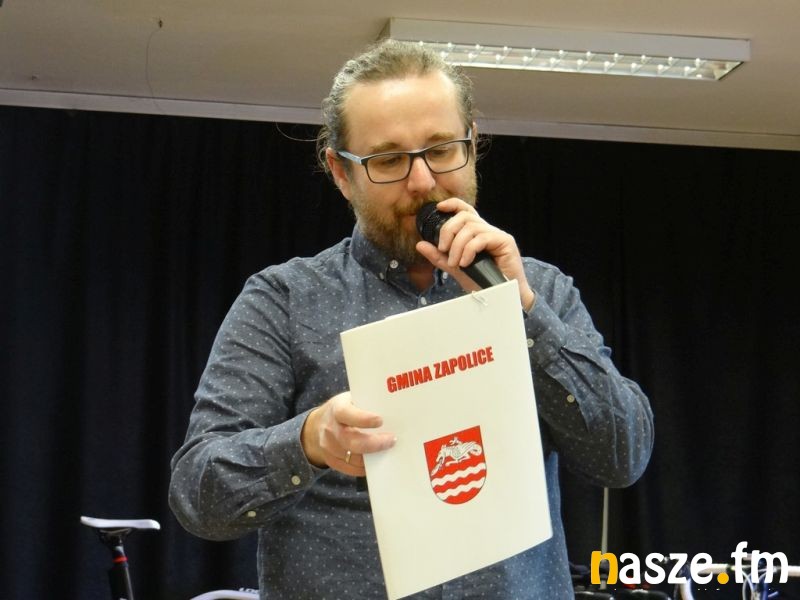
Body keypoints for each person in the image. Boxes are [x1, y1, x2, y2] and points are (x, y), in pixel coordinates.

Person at [169, 39, 654, 599]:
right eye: (389, 160)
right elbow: (198, 495)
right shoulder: (283, 301)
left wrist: (522, 312)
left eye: (442, 150)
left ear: (471, 144)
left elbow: (622, 457)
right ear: (340, 172)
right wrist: (307, 441)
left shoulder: (539, 291)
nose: (422, 181)